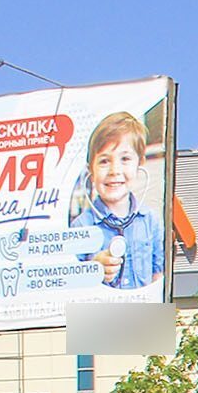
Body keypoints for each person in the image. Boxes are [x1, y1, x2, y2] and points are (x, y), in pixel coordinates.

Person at [68, 110, 162, 291]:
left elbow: (159, 275)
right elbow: (71, 284)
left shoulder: (151, 221)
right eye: (104, 161)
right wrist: (93, 270)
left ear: (140, 164)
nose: (114, 171)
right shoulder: (81, 226)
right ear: (91, 171)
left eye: (125, 159)